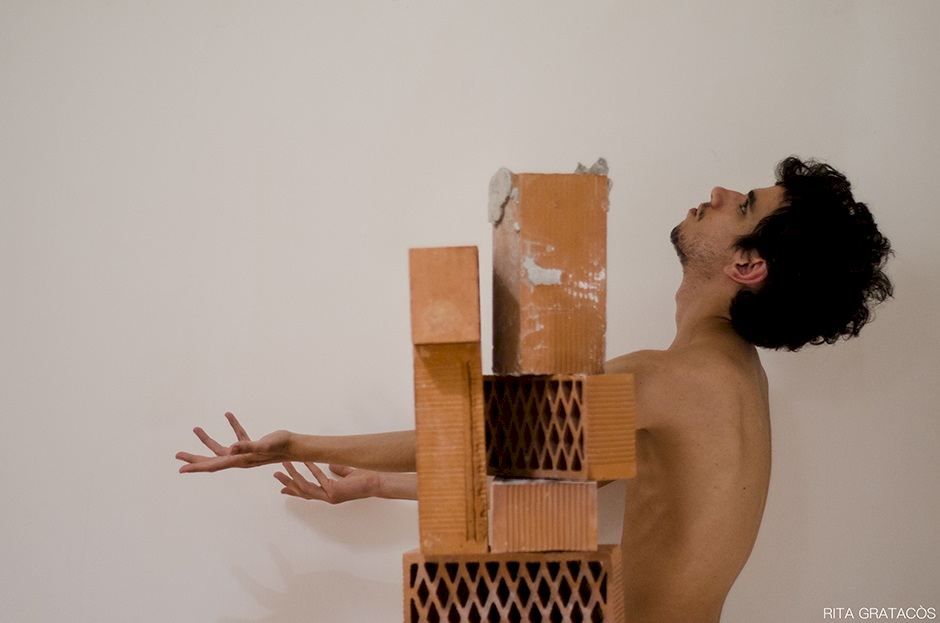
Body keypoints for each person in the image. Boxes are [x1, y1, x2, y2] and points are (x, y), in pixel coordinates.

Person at [176, 156, 893, 623]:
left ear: (747, 264)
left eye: (744, 205)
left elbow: (471, 438)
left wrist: (294, 443)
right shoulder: (726, 379)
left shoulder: (675, 379)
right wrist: (375, 485)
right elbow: (549, 482)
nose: (720, 193)